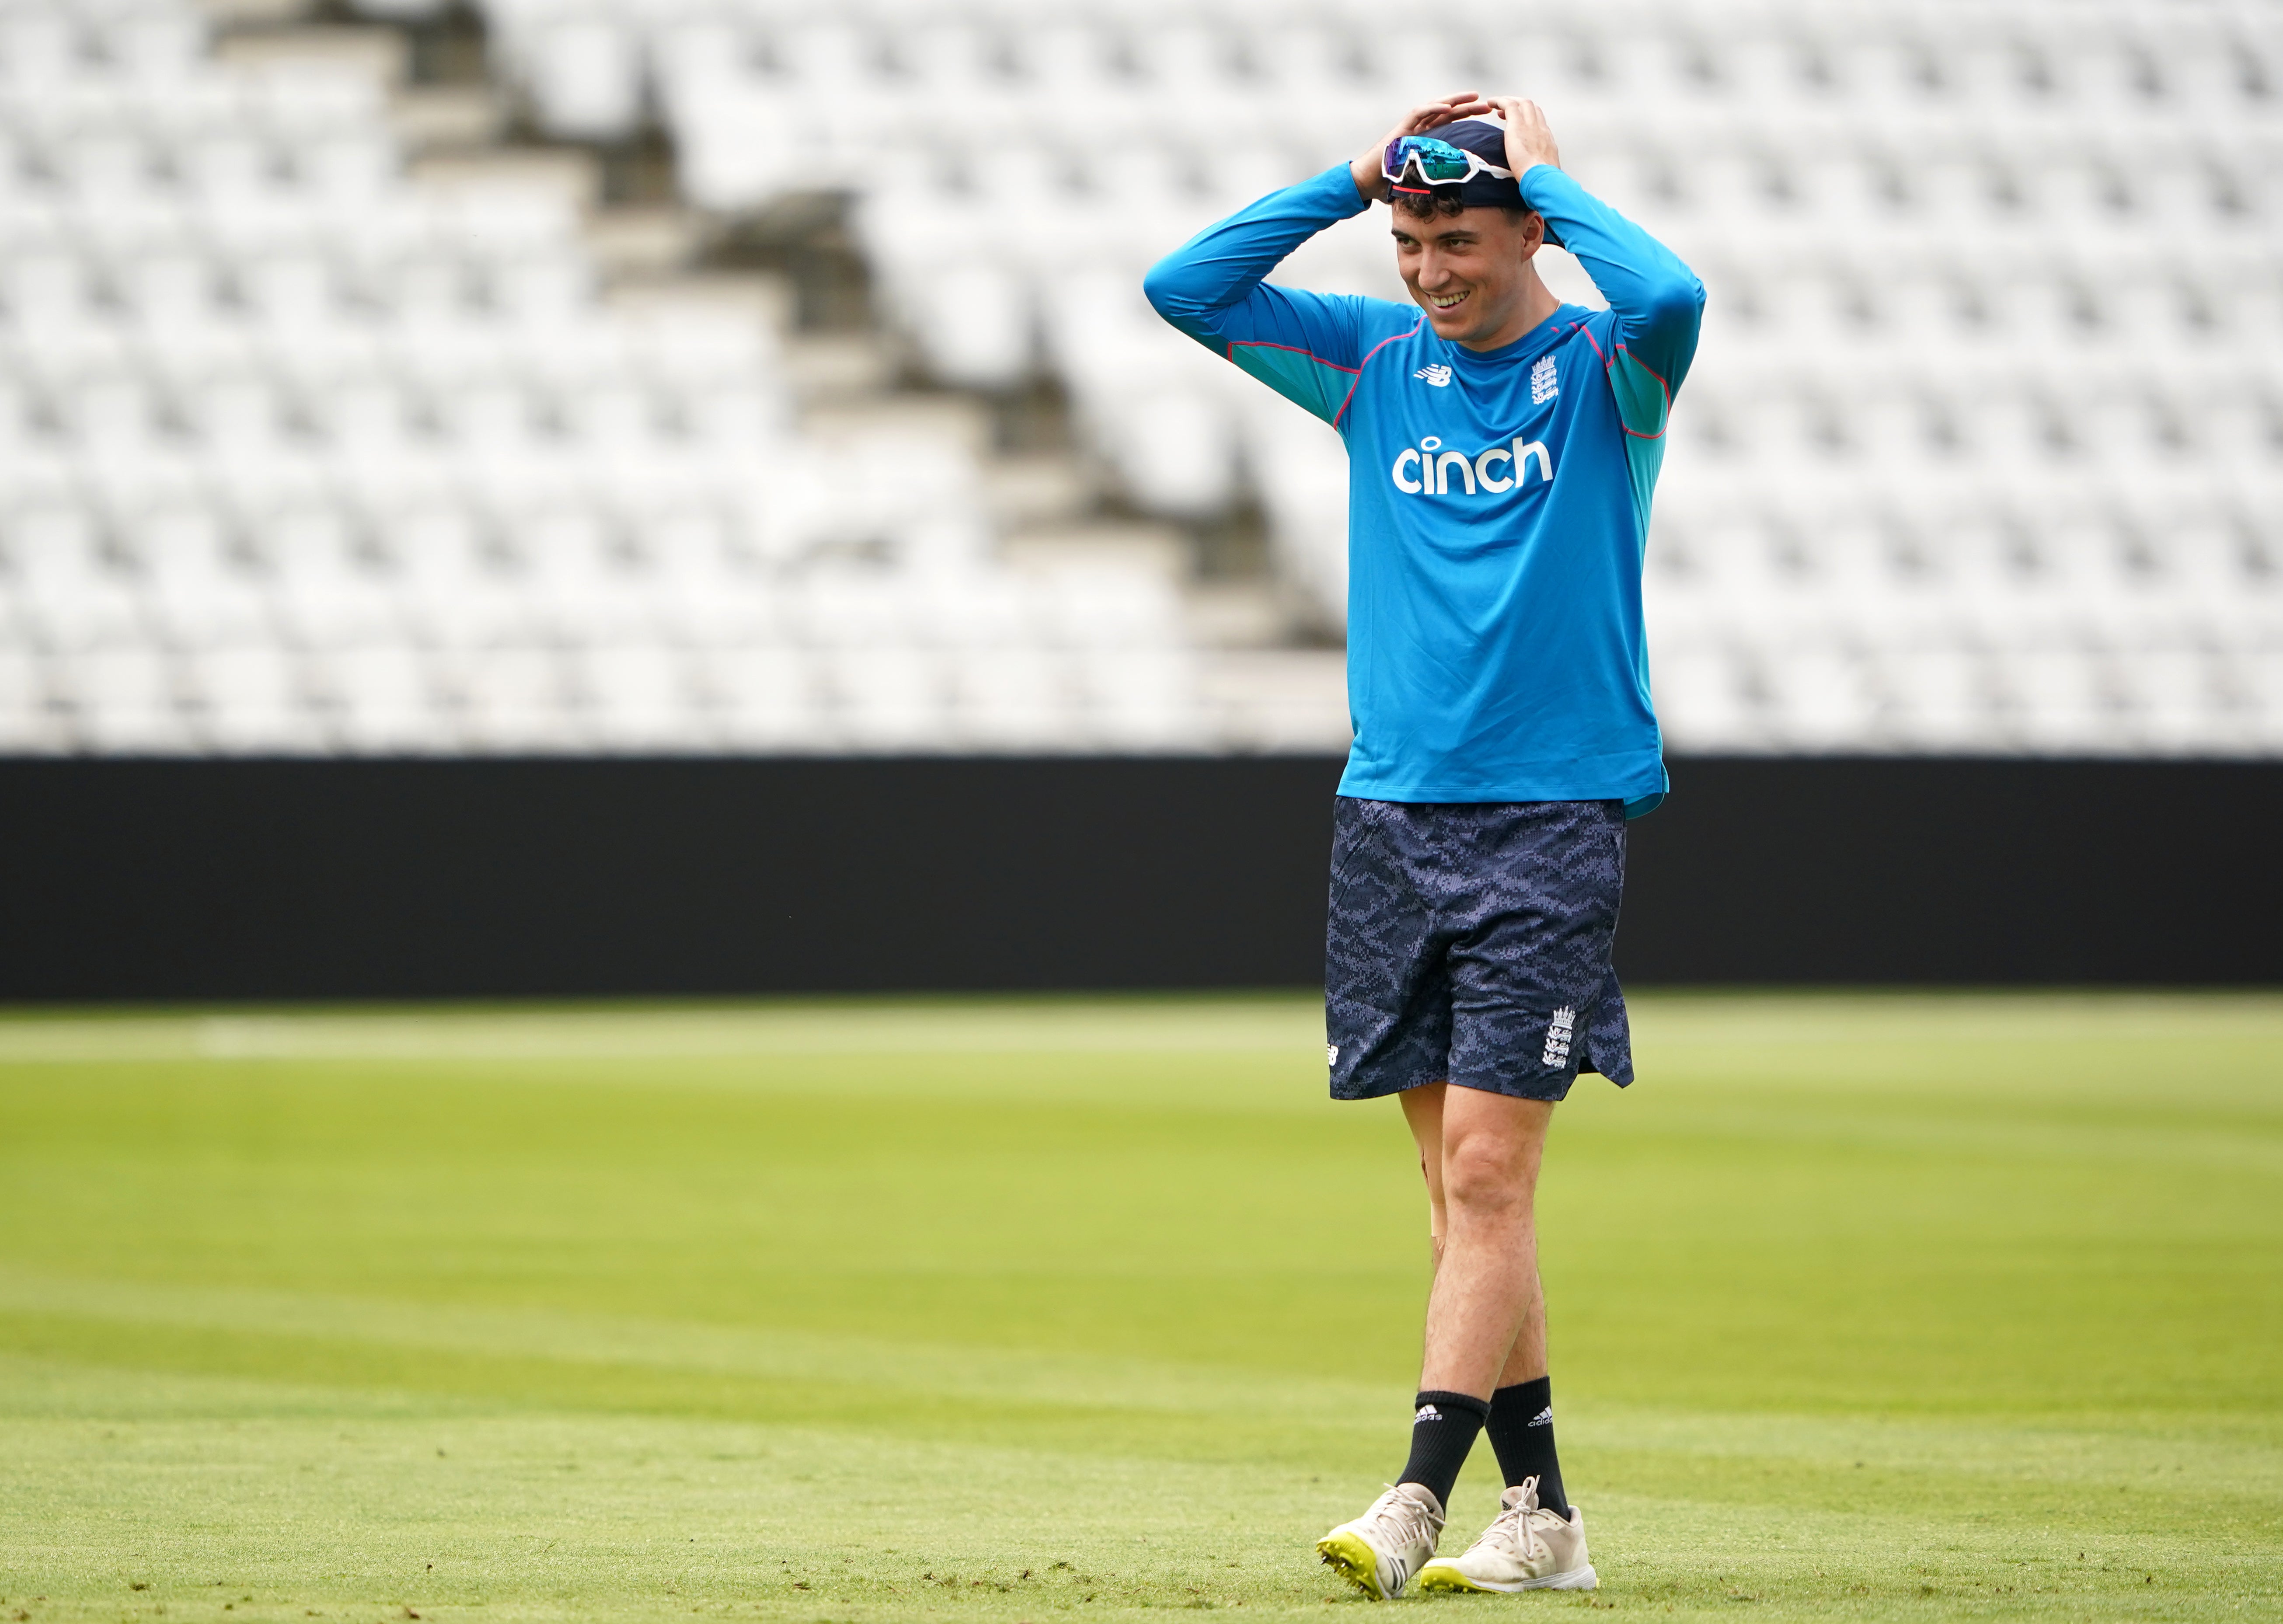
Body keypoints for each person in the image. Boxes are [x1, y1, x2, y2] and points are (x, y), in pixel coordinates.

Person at [1142, 94, 1705, 1597]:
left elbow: (1671, 291)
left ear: (1528, 231)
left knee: (1489, 1177)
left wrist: (1559, 178)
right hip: (1389, 814)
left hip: (1552, 811)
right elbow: (1183, 287)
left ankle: (1414, 1493)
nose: (1428, 269)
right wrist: (1346, 177)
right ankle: (1549, 1521)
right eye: (1407, 240)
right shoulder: (1369, 360)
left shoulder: (1608, 369)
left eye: (1458, 237)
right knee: (1461, 1201)